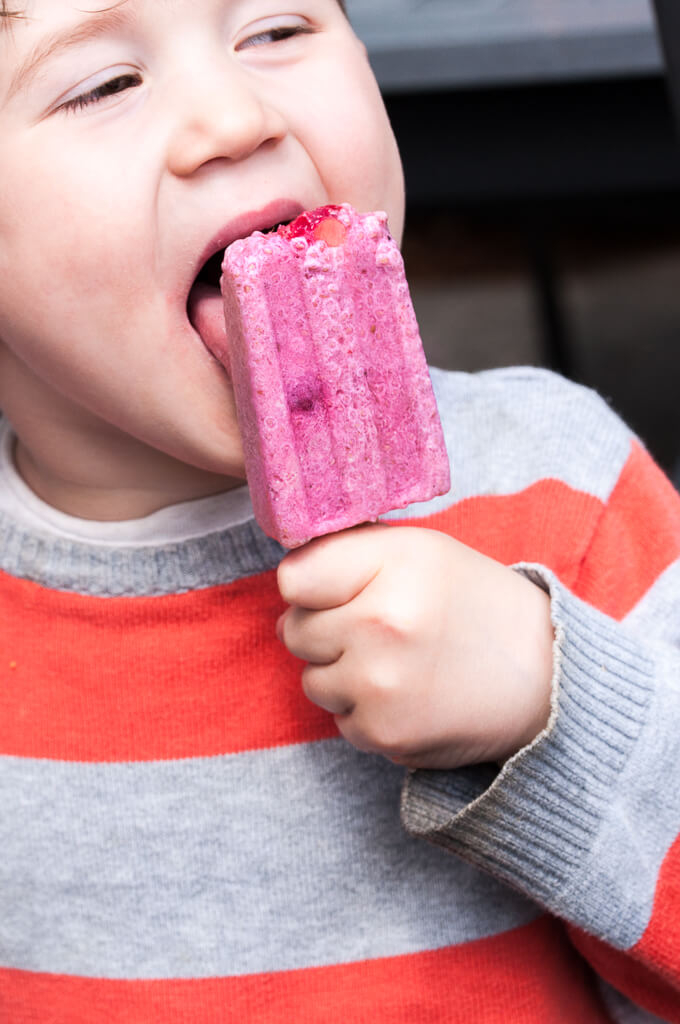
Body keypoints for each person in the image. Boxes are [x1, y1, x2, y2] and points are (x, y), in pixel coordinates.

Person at [0, 1, 678, 1021]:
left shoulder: (560, 490)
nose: (236, 117)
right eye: (106, 84)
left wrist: (552, 701)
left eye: (276, 28)